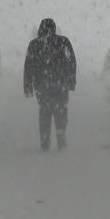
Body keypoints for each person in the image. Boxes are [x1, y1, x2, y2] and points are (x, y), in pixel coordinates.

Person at [23, 18, 77, 151]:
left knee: (45, 112)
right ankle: (60, 133)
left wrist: (28, 85)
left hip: (42, 85)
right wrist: (71, 80)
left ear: (40, 29)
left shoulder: (34, 44)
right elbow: (71, 61)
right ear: (54, 28)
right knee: (61, 110)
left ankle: (45, 140)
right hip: (61, 83)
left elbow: (28, 66)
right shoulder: (63, 41)